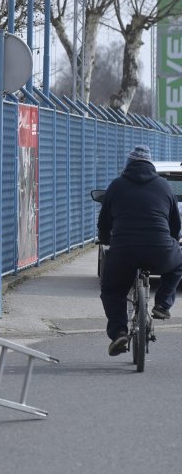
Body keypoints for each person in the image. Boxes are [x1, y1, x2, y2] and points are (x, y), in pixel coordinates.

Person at [97, 144, 182, 356]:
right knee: (179, 263)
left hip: (124, 251)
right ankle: (162, 304)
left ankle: (119, 332)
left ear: (128, 164)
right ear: (150, 164)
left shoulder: (116, 186)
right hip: (159, 248)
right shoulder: (164, 187)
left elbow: (104, 222)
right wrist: (169, 242)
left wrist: (106, 240)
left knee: (112, 290)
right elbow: (175, 225)